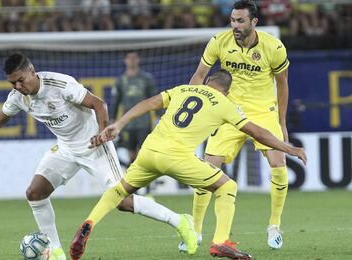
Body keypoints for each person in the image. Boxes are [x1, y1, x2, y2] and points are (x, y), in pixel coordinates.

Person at [0, 53, 198, 260]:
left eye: (20, 80)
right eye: (12, 83)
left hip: (95, 146)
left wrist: (102, 132)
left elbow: (99, 104)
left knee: (122, 202)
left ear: (32, 72)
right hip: (66, 149)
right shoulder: (18, 98)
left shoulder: (60, 84)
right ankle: (56, 252)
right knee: (35, 193)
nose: (17, 87)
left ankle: (180, 222)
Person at [70, 69, 307, 260]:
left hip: (148, 153)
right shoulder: (225, 104)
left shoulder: (184, 89)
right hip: (178, 158)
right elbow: (257, 131)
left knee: (119, 191)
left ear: (206, 81)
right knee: (226, 187)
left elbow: (149, 103)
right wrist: (289, 148)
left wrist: (118, 124)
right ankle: (220, 242)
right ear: (227, 91)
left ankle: (88, 223)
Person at [180, 0, 292, 251]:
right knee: (207, 168)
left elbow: (282, 84)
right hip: (228, 112)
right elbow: (199, 76)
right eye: (232, 20)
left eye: (240, 21)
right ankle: (195, 230)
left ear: (254, 22)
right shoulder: (218, 42)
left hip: (263, 112)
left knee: (278, 163)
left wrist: (281, 122)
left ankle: (274, 225)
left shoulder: (273, 47)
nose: (235, 26)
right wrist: (194, 106)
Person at [111, 51, 157, 194]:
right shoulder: (121, 81)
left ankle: (148, 188)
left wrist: (159, 117)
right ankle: (134, 188)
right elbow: (115, 102)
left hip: (144, 123)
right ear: (125, 61)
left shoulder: (146, 79)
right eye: (129, 58)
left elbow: (155, 99)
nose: (132, 60)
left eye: (134, 58)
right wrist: (112, 120)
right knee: (131, 155)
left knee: (144, 155)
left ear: (138, 60)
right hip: (128, 125)